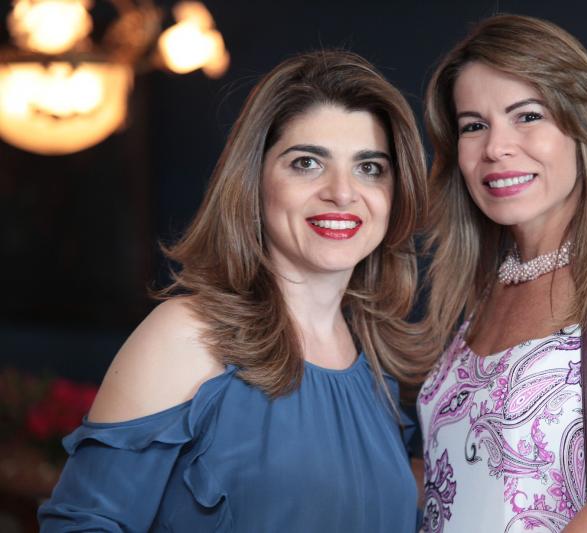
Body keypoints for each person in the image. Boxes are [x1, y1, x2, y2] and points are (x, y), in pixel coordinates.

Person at [39, 49, 427, 532]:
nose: (342, 192)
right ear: (254, 181)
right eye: (307, 163)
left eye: (370, 168)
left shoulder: (379, 371)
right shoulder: (188, 335)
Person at [416, 14, 587, 533]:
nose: (496, 147)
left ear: (583, 125)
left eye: (527, 116)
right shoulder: (486, 289)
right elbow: (458, 478)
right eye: (474, 125)